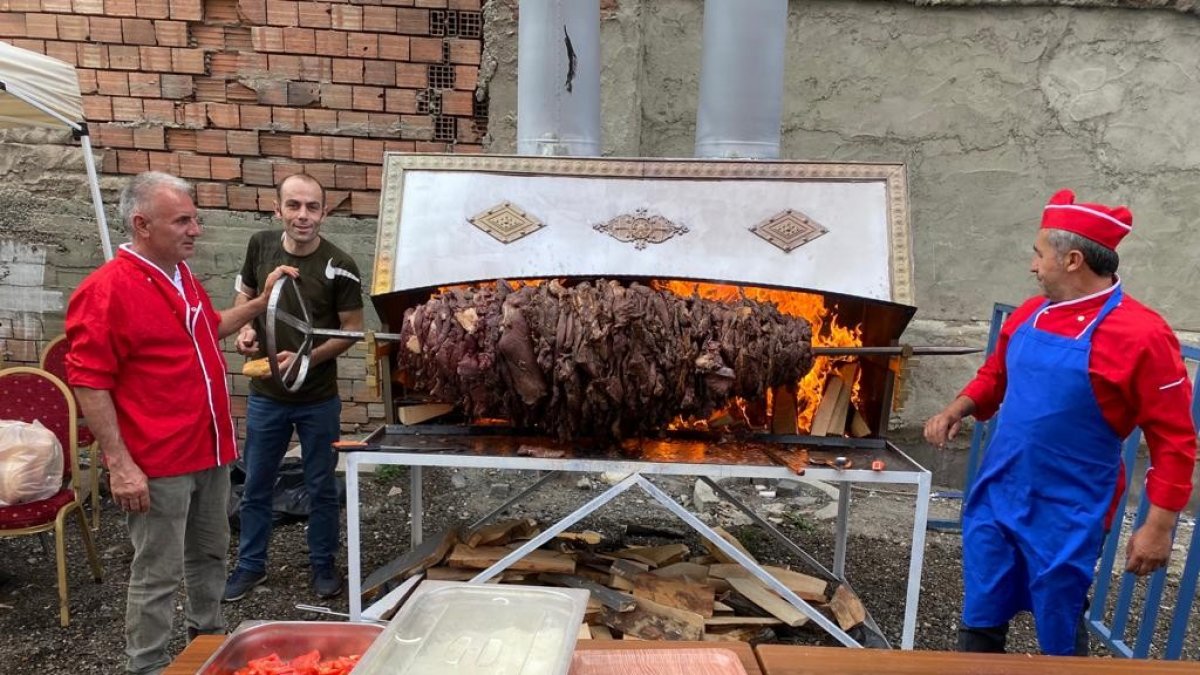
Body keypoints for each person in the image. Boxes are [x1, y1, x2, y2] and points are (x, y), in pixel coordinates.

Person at [925, 189, 1196, 656]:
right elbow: (997, 375)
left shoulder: (1144, 335)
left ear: (1072, 260)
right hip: (1000, 491)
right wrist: (960, 407)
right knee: (981, 608)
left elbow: (1175, 440)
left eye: (1038, 254)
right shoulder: (1030, 314)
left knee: (1059, 616)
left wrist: (1159, 526)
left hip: (1070, 508)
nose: (1033, 266)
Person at [66, 172, 295, 675]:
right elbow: (89, 380)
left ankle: (208, 649)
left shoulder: (180, 275)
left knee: (211, 556)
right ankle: (147, 665)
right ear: (141, 224)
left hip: (210, 450)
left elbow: (209, 328)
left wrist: (261, 303)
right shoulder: (106, 290)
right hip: (158, 460)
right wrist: (120, 463)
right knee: (157, 574)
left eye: (196, 218)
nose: (196, 230)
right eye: (183, 220)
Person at [223, 173, 364, 602]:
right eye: (294, 206)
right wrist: (245, 329)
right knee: (256, 484)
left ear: (324, 212)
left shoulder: (341, 265)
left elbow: (352, 331)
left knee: (321, 485)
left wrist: (305, 357)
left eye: (313, 207)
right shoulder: (260, 246)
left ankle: (323, 566)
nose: (303, 216)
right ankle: (250, 567)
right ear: (278, 208)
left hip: (317, 399)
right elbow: (245, 298)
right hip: (268, 396)